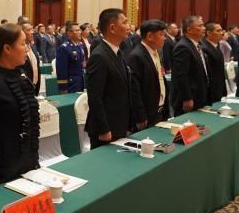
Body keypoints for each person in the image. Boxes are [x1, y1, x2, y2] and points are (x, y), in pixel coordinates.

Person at [0, 24, 40, 187]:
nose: (27, 48)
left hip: (27, 160)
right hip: (4, 166)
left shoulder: (21, 75)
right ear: (7, 49)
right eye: (23, 43)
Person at [85, 9, 131, 148]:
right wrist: (104, 129)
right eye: (125, 23)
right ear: (112, 28)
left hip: (119, 123)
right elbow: (95, 97)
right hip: (106, 128)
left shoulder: (118, 52)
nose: (128, 27)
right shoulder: (99, 56)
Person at [128, 20, 167, 130]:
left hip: (159, 109)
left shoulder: (156, 52)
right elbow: (134, 89)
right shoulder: (137, 55)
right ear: (149, 36)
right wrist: (140, 115)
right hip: (147, 113)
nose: (164, 38)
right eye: (161, 34)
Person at [170, 15, 209, 115]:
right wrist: (187, 98)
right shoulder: (183, 47)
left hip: (198, 94)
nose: (204, 28)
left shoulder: (197, 45)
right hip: (189, 98)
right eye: (200, 26)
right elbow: (180, 75)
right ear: (189, 30)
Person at [56, 22, 86, 93]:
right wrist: (63, 88)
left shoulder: (80, 46)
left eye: (79, 30)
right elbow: (61, 71)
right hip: (70, 86)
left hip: (80, 83)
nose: (80, 32)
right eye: (77, 30)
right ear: (69, 33)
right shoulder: (64, 48)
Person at [201, 22, 227, 103]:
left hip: (218, 86)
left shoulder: (216, 45)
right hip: (210, 89)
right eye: (218, 31)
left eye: (221, 30)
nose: (222, 33)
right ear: (208, 33)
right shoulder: (204, 47)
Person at [20, 22, 41, 96]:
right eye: (29, 30)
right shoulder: (19, 49)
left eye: (32, 29)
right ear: (21, 32)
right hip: (24, 87)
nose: (32, 32)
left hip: (35, 85)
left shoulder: (33, 46)